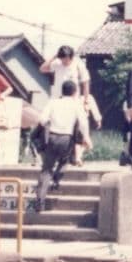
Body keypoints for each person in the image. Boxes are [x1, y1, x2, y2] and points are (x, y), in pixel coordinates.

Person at [33, 80, 88, 212]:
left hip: (51, 137)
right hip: (66, 138)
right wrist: (85, 137)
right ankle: (57, 179)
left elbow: (42, 119)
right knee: (65, 161)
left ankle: (40, 202)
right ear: (75, 92)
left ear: (62, 91)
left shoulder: (53, 102)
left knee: (46, 169)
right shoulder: (76, 105)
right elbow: (83, 122)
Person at [41, 45, 96, 165]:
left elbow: (85, 82)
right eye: (62, 59)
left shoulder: (78, 64)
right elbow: (43, 69)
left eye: (66, 59)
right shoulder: (57, 63)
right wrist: (54, 56)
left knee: (78, 128)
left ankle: (77, 156)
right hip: (58, 99)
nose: (64, 61)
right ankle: (56, 156)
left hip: (73, 100)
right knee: (57, 127)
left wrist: (86, 100)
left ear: (71, 57)